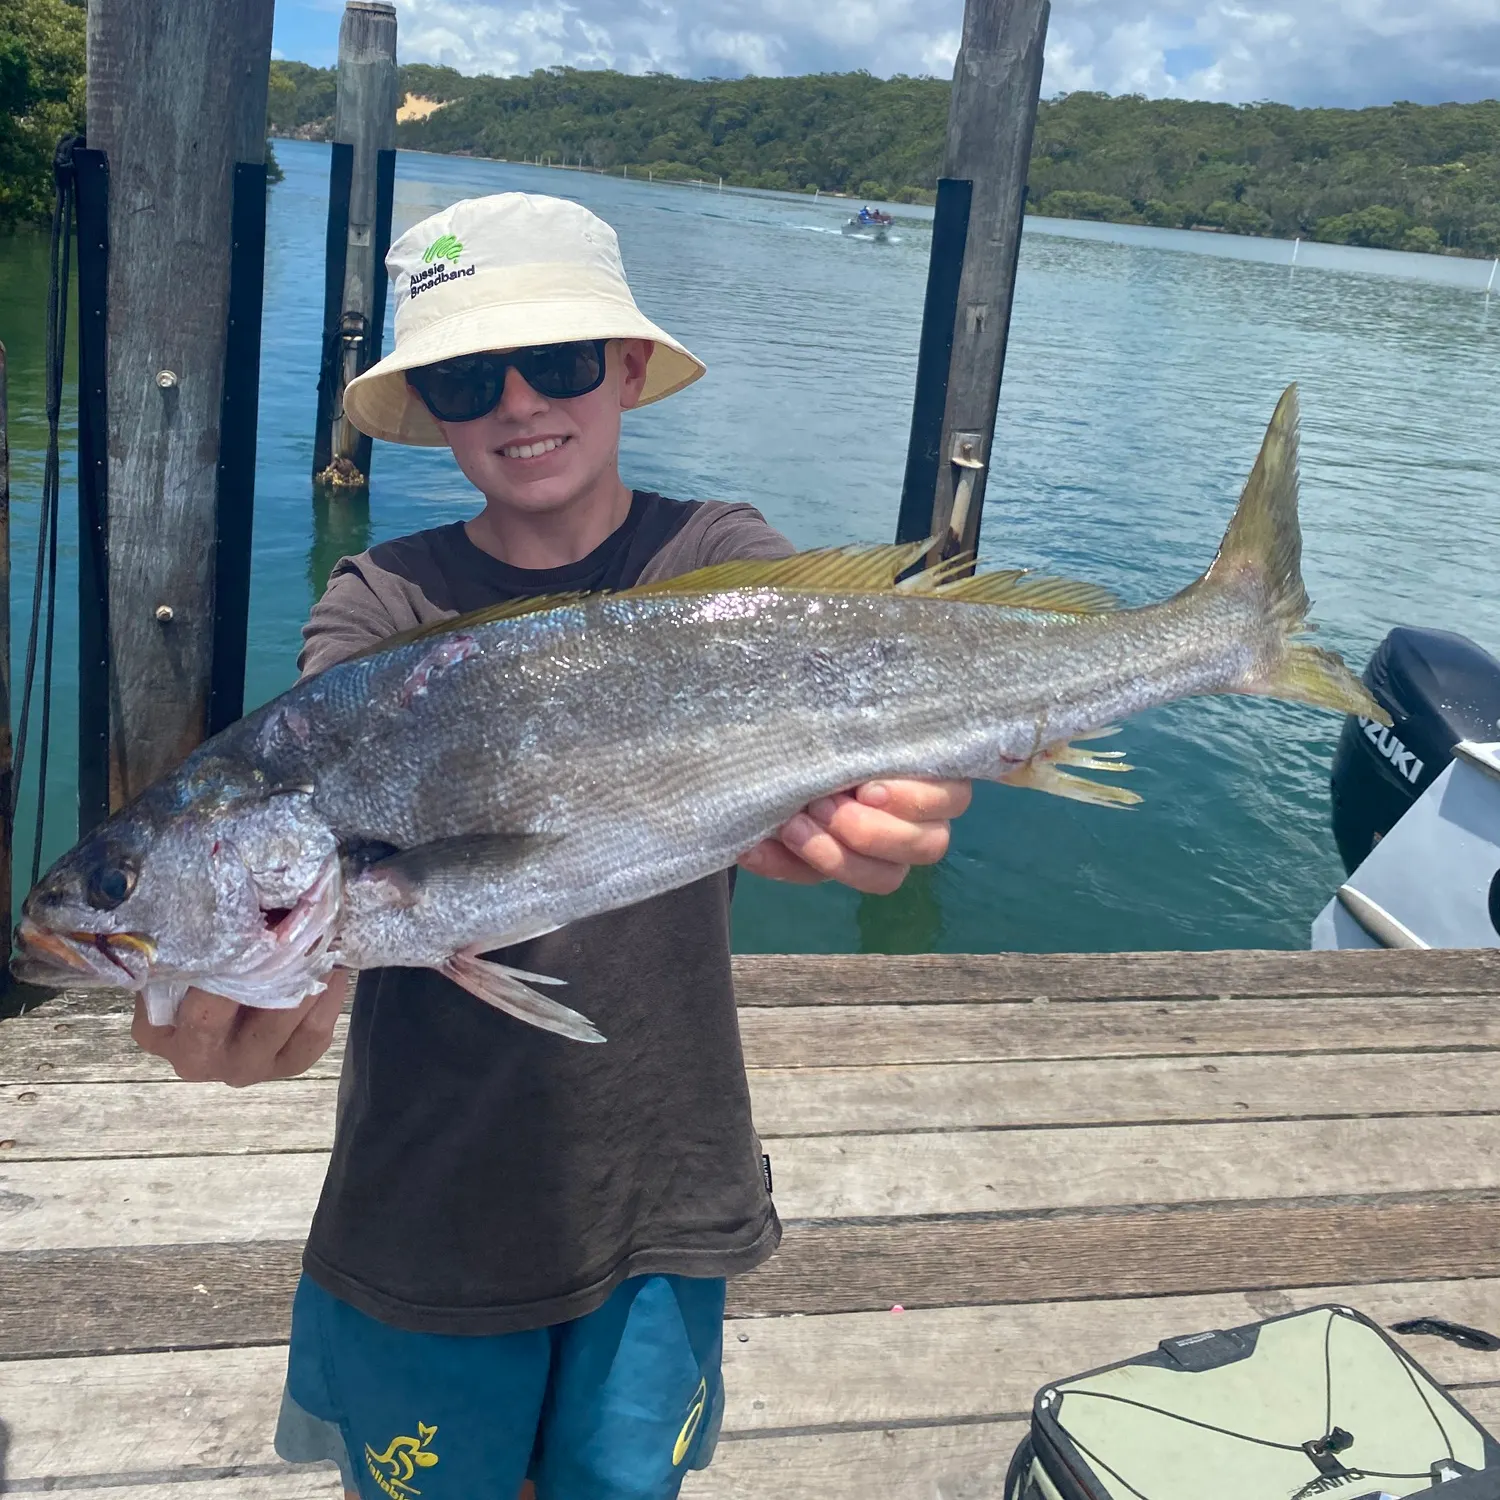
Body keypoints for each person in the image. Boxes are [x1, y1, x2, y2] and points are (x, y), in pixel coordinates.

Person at [132, 193, 971, 1500]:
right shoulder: (381, 602)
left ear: (628, 370)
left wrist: (873, 808)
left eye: (563, 363)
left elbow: (830, 714)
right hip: (427, 1210)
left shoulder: (721, 560)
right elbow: (305, 806)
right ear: (439, 407)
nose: (521, 402)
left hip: (663, 1189)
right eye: (473, 376)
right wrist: (252, 993)